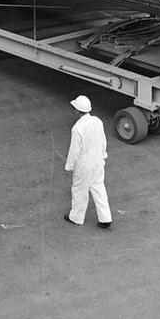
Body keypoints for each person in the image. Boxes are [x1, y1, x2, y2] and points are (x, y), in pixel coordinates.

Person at [63, 95, 112, 229]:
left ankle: (76, 217)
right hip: (98, 161)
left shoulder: (77, 129)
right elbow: (103, 141)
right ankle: (105, 218)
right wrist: (103, 155)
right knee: (98, 187)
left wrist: (68, 167)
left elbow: (74, 151)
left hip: (84, 164)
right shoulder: (97, 121)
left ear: (77, 110)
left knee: (79, 190)